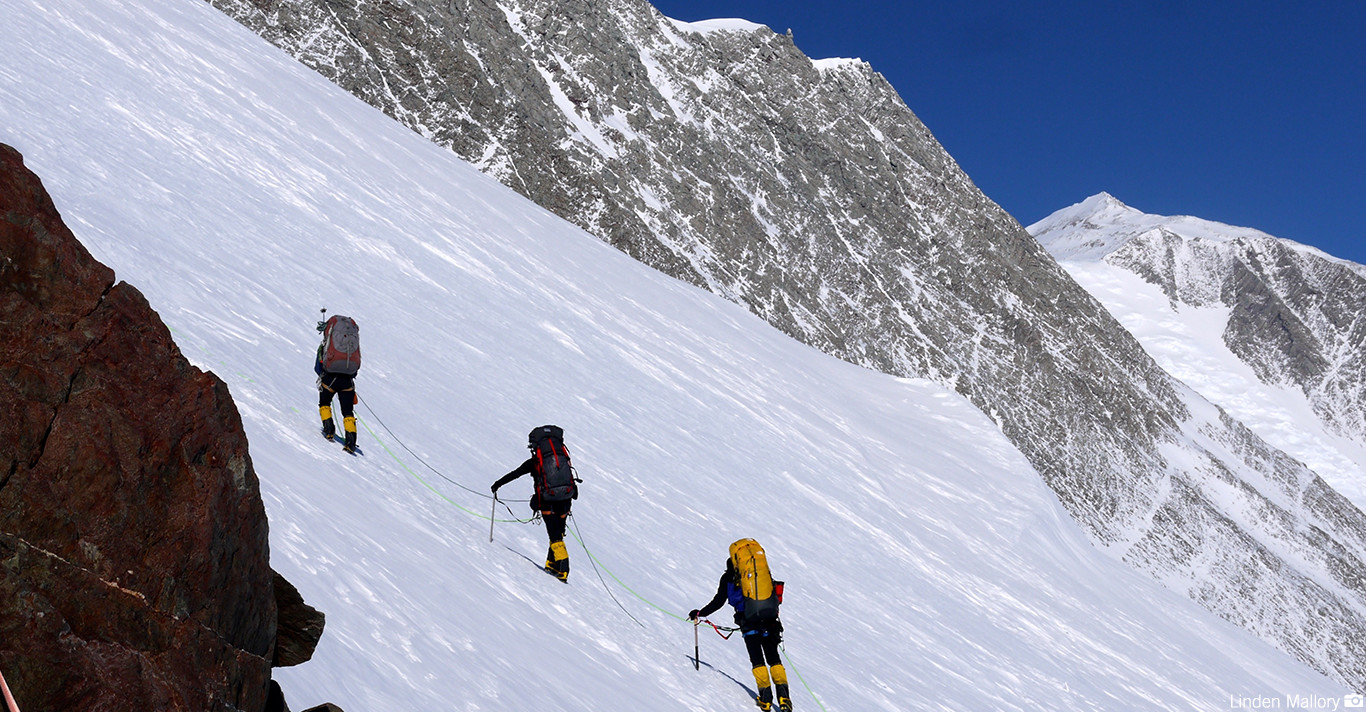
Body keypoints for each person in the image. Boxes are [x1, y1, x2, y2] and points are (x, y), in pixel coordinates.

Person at [689, 539, 791, 711]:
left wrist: (700, 613)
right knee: (774, 658)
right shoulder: (761, 574)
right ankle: (784, 698)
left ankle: (766, 699)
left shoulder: (728, 578)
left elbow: (718, 601)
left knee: (757, 660)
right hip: (769, 620)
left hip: (748, 622)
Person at [491, 425, 578, 581]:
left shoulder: (535, 463)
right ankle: (552, 565)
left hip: (547, 503)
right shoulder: (562, 460)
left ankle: (563, 568)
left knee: (554, 535)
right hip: (565, 501)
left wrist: (498, 484)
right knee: (558, 533)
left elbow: (515, 474)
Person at [315, 313, 361, 454]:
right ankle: (351, 442)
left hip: (330, 378)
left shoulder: (325, 346)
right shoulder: (350, 345)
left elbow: (318, 366)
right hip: (347, 380)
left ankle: (329, 430)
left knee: (324, 403)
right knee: (348, 412)